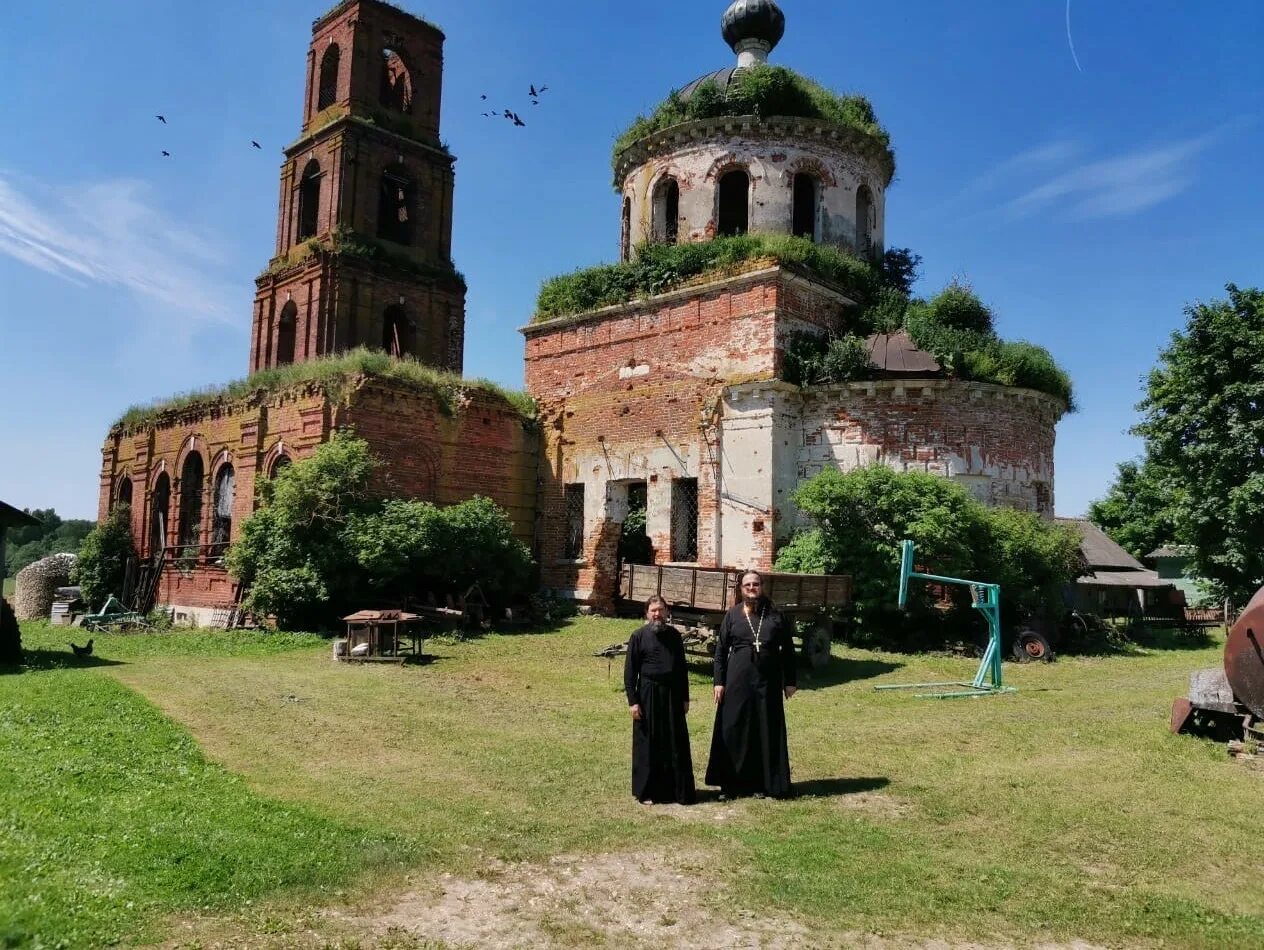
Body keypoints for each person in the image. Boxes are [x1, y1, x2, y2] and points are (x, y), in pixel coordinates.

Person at [705, 569, 796, 799]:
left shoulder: (776, 615)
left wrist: (790, 681)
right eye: (748, 585)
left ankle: (762, 783)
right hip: (737, 682)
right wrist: (719, 682)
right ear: (741, 589)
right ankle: (730, 785)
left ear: (762, 586)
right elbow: (720, 652)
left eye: (756, 584)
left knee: (764, 729)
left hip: (767, 682)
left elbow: (788, 650)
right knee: (733, 728)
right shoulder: (733, 615)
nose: (752, 588)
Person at [624, 595, 696, 805]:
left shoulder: (674, 636)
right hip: (648, 694)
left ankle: (676, 791)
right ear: (647, 613)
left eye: (661, 610)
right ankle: (646, 791)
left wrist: (685, 697)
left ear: (667, 612)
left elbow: (682, 669)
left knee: (674, 742)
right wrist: (633, 701)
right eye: (653, 610)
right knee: (648, 743)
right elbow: (630, 673)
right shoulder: (638, 636)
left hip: (672, 695)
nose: (657, 614)